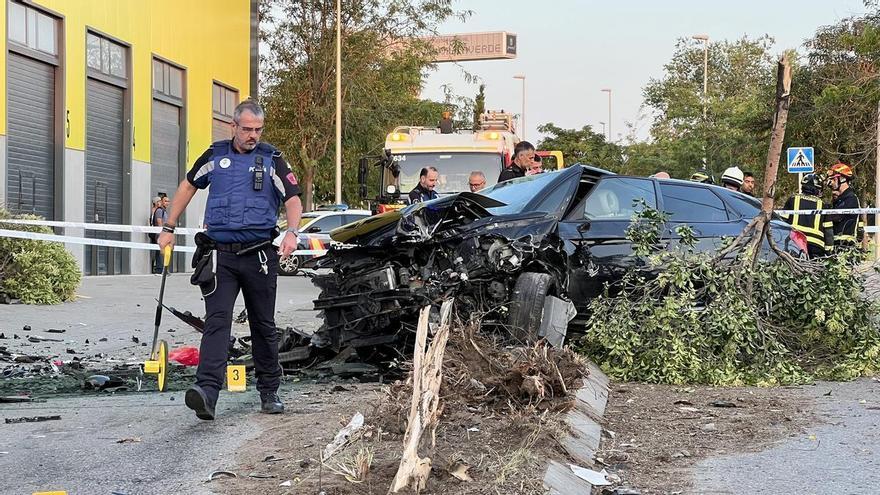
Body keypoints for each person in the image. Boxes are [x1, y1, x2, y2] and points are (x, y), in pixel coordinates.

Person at [158, 100, 303, 421]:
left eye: (258, 129)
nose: (253, 135)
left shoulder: (272, 160)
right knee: (217, 323)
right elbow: (187, 185)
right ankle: (206, 393)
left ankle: (269, 391)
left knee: (262, 324)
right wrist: (168, 227)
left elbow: (293, 199)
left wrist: (293, 232)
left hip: (260, 255)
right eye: (247, 129)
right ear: (233, 126)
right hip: (220, 257)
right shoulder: (214, 156)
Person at [781, 174, 833, 259]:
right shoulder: (823, 205)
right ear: (818, 190)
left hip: (795, 242)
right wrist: (829, 251)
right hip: (816, 246)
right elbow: (828, 231)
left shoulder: (793, 199)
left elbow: (783, 221)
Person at [825, 163, 863, 249]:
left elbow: (836, 217)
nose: (831, 183)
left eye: (833, 179)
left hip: (846, 246)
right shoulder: (841, 199)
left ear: (842, 179)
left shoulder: (850, 198)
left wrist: (824, 210)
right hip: (838, 245)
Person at [150, 195, 169, 274]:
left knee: (162, 251)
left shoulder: (162, 211)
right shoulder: (159, 211)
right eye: (159, 201)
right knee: (160, 252)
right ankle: (159, 269)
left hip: (162, 233)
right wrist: (162, 232)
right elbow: (159, 221)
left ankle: (162, 269)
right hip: (160, 233)